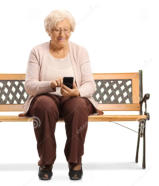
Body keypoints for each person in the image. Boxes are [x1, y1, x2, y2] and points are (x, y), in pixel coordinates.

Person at [19, 9, 103, 180]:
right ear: (49, 31)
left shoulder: (80, 51)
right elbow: (29, 85)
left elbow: (90, 85)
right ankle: (46, 161)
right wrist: (50, 85)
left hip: (72, 97)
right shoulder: (37, 51)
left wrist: (76, 92)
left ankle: (75, 160)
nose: (61, 34)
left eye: (66, 29)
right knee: (44, 105)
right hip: (46, 97)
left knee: (79, 105)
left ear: (71, 30)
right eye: (57, 29)